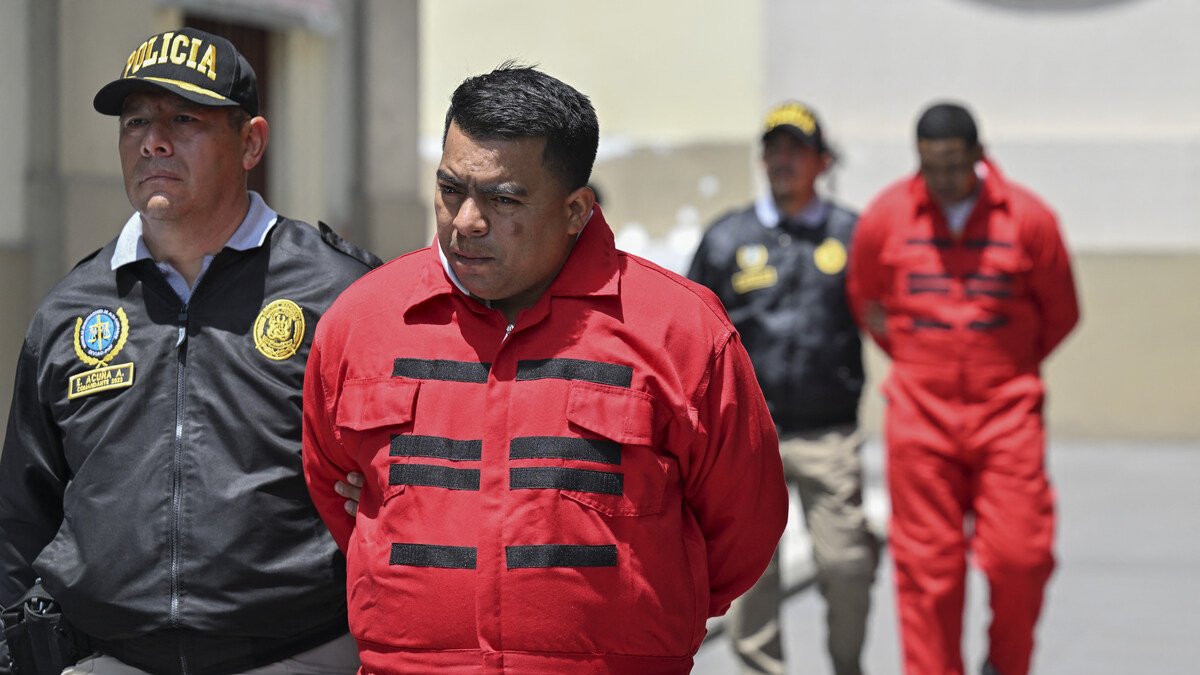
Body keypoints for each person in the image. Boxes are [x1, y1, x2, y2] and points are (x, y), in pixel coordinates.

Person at [302, 63, 789, 674]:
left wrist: (630, 620)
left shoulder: (680, 331)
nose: (466, 222)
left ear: (576, 210)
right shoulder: (363, 320)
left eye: (503, 199)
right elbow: (332, 480)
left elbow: (745, 525)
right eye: (451, 189)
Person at [0, 28, 378, 675]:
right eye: (136, 120)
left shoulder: (340, 293)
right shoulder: (71, 307)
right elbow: (22, 510)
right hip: (109, 655)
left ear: (252, 141)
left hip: (299, 650)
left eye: (184, 119)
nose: (153, 139)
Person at [846, 102, 1080, 675]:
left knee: (1020, 558)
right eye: (931, 167)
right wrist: (922, 362)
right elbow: (868, 304)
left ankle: (1005, 665)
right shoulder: (886, 218)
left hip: (1007, 416)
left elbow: (1061, 313)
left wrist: (1004, 366)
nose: (944, 179)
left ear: (979, 155)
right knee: (929, 571)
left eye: (954, 166)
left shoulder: (1028, 218)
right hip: (921, 419)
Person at [687, 101, 879, 675]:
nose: (783, 160)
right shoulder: (727, 238)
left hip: (829, 431)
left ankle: (848, 665)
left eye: (796, 149)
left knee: (846, 562)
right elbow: (694, 329)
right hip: (749, 436)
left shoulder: (853, 234)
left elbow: (886, 315)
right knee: (752, 572)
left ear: (821, 161)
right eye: (774, 148)